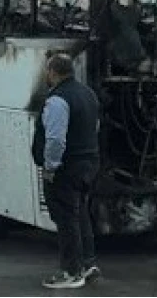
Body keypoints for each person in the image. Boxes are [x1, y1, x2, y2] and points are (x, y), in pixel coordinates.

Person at [33, 51, 101, 289]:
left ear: (53, 72)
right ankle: (88, 263)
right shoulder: (88, 94)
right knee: (80, 213)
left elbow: (55, 140)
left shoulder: (58, 100)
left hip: (67, 168)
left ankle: (71, 272)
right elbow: (95, 127)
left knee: (65, 219)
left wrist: (51, 168)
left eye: (47, 72)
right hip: (89, 163)